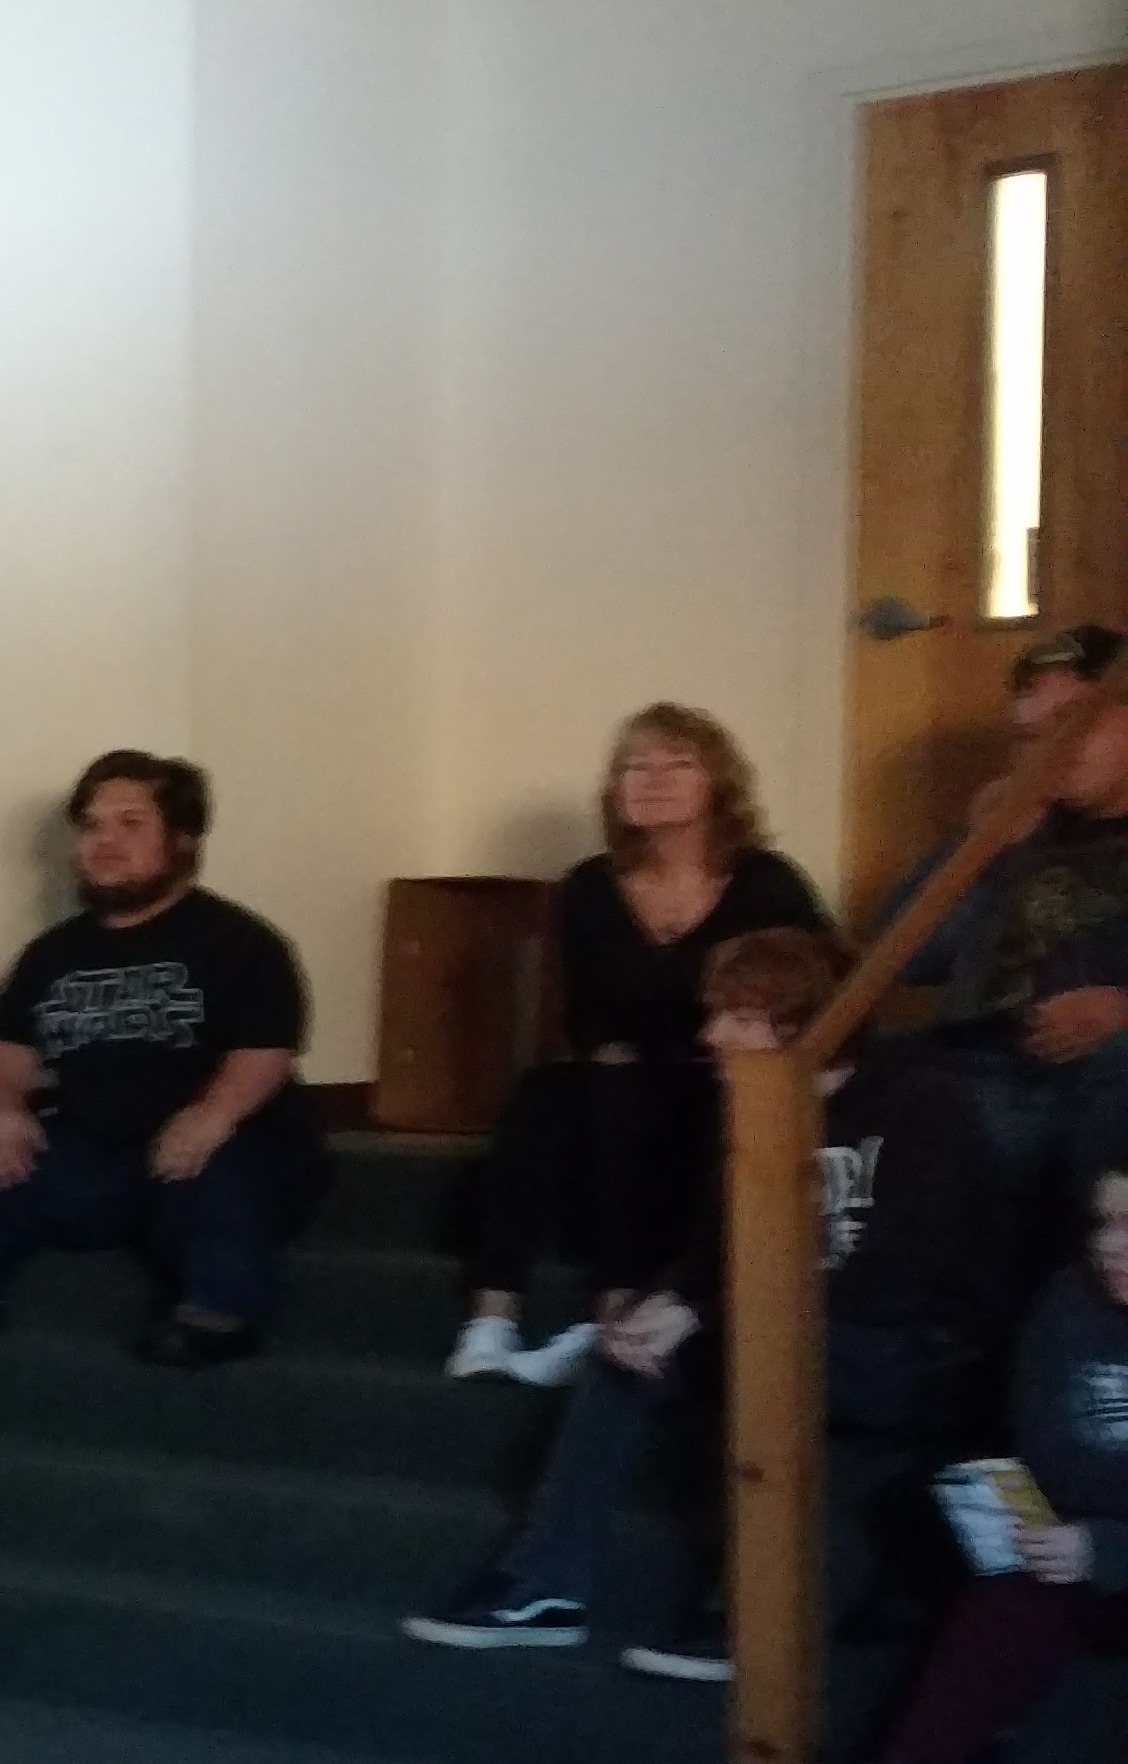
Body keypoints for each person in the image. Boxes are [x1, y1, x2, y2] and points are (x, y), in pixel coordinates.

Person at [405, 929, 999, 1671]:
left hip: (905, 1348)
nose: (711, 1035)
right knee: (621, 1359)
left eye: (739, 1018)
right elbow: (708, 1256)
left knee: (773, 1359)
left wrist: (701, 1315)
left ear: (805, 1026)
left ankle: (751, 1619)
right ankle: (541, 1586)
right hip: (778, 1326)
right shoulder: (748, 1104)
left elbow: (894, 1285)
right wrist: (657, 1311)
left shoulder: (924, 1108)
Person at [0, 753, 320, 1368]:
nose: (104, 841)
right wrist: (0, 1111)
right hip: (98, 1144)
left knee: (223, 1184)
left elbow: (265, 1049)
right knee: (5, 1171)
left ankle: (217, 1313)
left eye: (130, 823)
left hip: (221, 1140)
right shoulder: (51, 954)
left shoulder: (242, 942)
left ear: (182, 841)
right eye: (92, 825)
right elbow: (7, 1047)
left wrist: (212, 1116)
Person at [449, 708, 826, 1383]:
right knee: (545, 1095)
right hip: (624, 1065)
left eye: (678, 764)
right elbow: (584, 1007)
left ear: (718, 783)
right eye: (635, 767)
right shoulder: (591, 885)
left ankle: (615, 1312)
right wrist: (604, 1048)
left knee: (629, 1101)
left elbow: (808, 991)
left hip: (725, 1074)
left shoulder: (768, 882)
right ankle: (491, 1320)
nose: (653, 779)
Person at [778, 1165, 1128, 1764]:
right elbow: (1045, 1443)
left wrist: (1106, 1545)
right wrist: (1069, 1530)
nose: (1110, 1244)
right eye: (1105, 1223)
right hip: (1070, 1539)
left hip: (1098, 1542)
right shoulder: (1071, 1299)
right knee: (1014, 1578)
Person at [882, 629, 1128, 1224]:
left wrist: (1123, 1009)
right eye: (1029, 734)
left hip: (1084, 1076)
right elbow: (905, 959)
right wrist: (981, 850)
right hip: (968, 1061)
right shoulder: (1013, 825)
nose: (1053, 747)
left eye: (1073, 720)